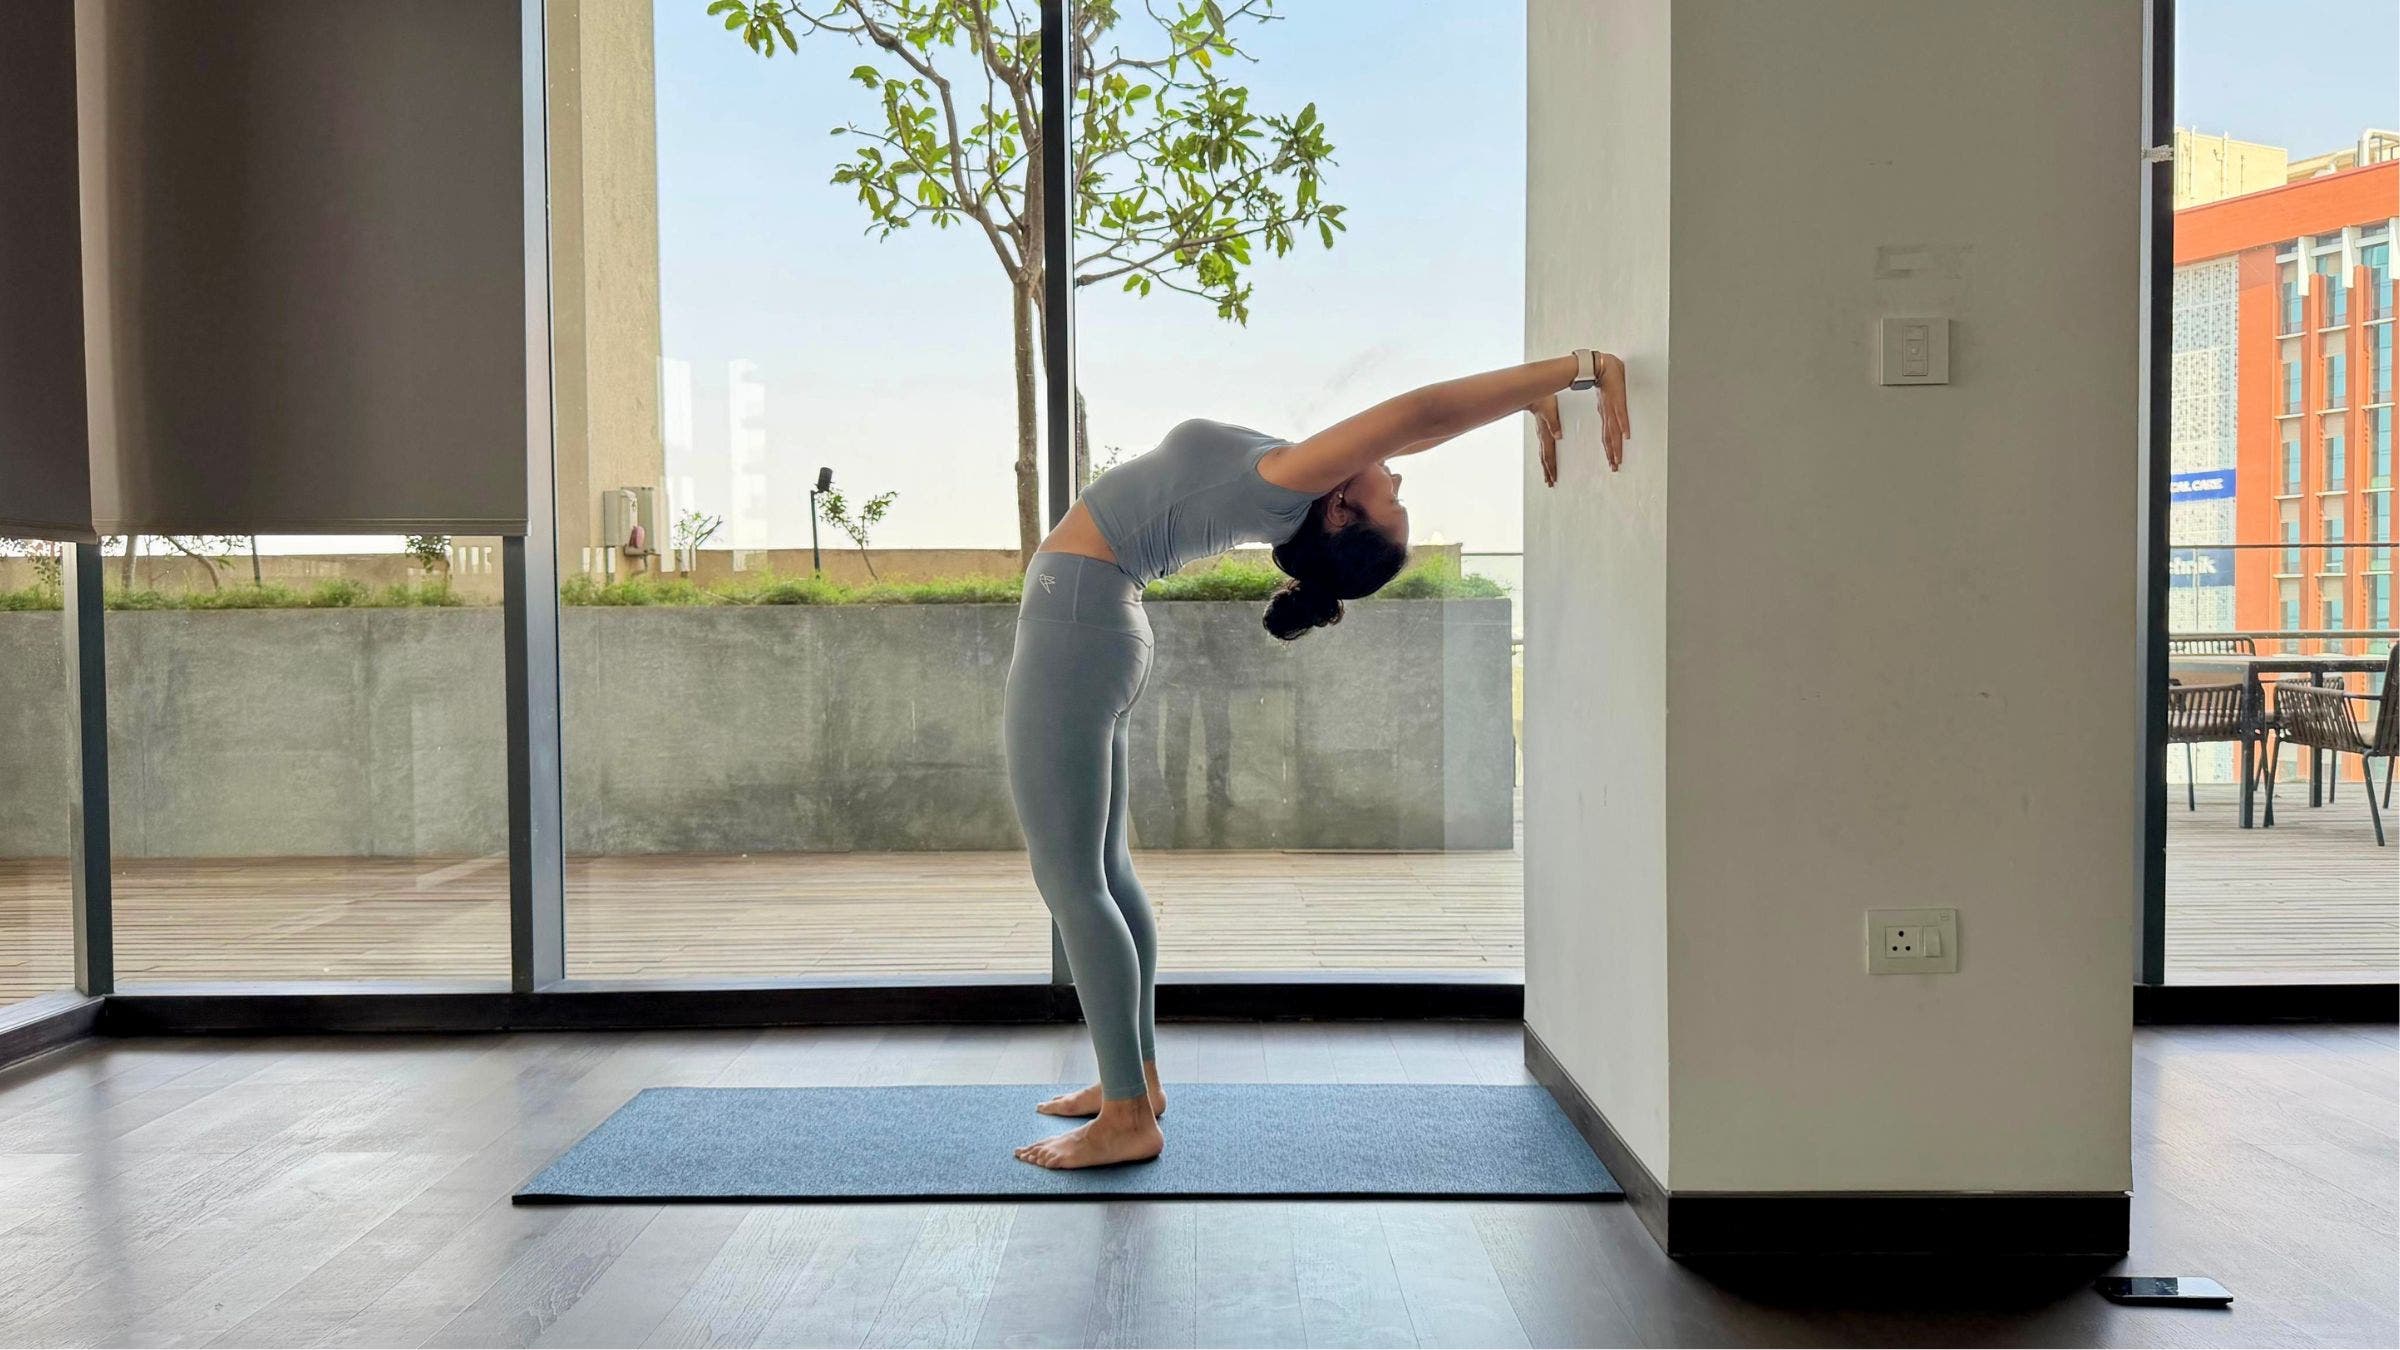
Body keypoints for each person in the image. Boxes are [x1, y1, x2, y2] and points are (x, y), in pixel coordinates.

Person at [1005, 349, 1632, 1169]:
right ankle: (1137, 1083)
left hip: (1076, 620)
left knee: (1070, 879)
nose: (1399, 485)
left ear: (1339, 512)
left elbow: (1421, 410)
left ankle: (1127, 1115)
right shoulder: (1293, 486)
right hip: (1099, 618)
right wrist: (1530, 396)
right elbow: (1420, 428)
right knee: (1106, 873)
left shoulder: (1287, 484)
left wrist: (1576, 366)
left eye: (1390, 503)